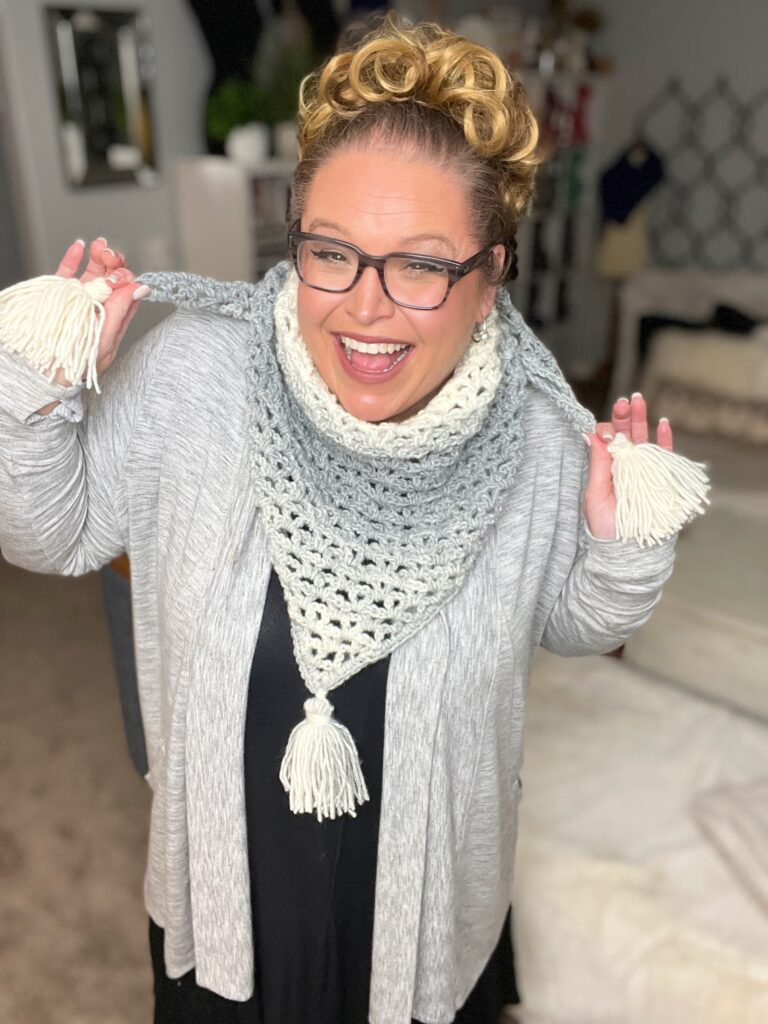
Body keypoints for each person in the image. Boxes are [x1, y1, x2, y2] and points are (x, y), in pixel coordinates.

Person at [0, 15, 682, 1024]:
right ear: (297, 233)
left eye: (419, 265)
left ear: (492, 273)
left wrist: (625, 543)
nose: (364, 308)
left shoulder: (540, 439)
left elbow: (577, 624)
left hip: (427, 920)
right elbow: (45, 533)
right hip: (227, 907)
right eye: (333, 251)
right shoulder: (194, 373)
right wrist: (37, 391)